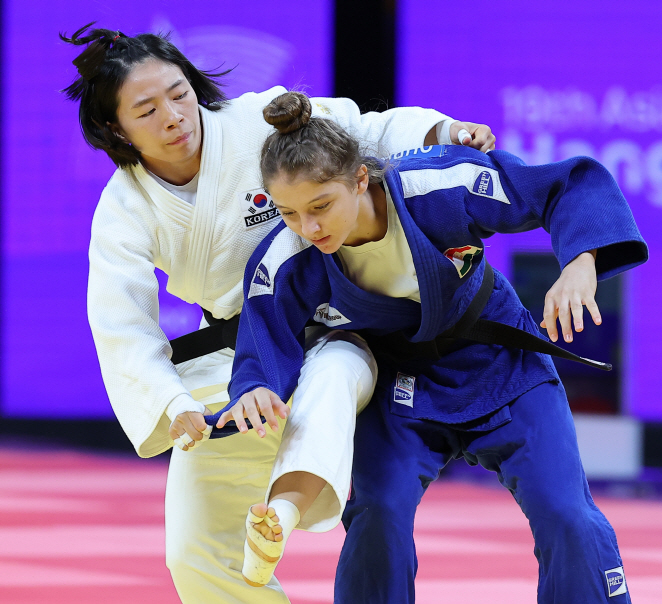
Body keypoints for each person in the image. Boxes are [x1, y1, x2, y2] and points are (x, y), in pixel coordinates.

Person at [61, 23, 495, 604]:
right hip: (233, 358)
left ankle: (286, 510)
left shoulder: (256, 122)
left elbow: (365, 130)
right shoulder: (124, 208)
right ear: (116, 128)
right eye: (147, 109)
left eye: (180, 93)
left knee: (333, 377)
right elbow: (121, 322)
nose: (173, 115)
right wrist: (172, 401)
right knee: (195, 553)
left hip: (333, 328)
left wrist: (443, 130)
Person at [214, 91, 648, 602]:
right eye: (288, 213)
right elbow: (265, 326)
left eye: (321, 206)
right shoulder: (291, 254)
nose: (309, 228)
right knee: (378, 512)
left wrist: (580, 264)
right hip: (403, 385)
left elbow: (565, 185)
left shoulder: (437, 185)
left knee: (566, 514)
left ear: (360, 178)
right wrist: (255, 386)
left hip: (503, 365)